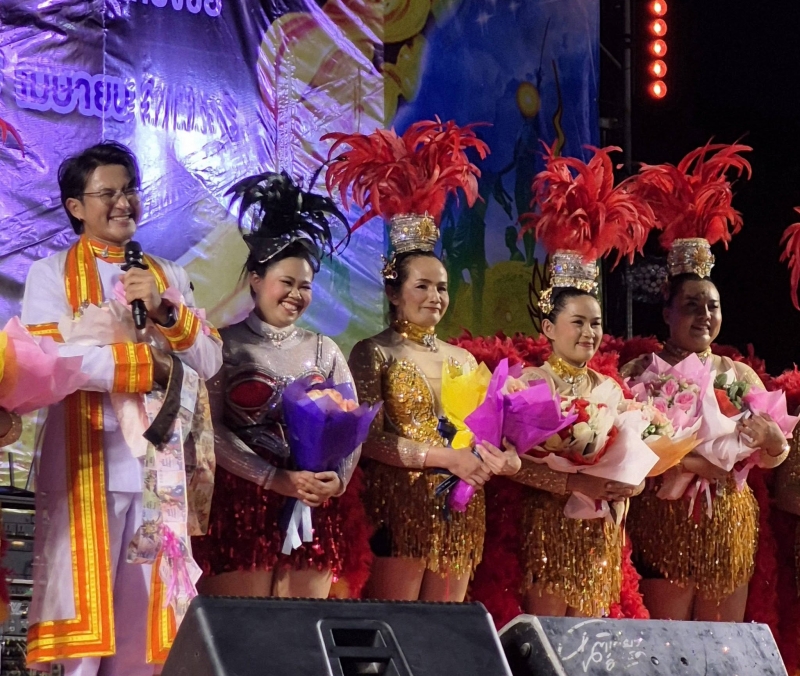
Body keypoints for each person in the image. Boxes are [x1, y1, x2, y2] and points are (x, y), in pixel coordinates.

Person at [21, 141, 222, 675]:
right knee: (82, 614)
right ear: (75, 206)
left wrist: (162, 310)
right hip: (87, 460)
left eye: (129, 190)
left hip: (159, 468)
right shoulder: (51, 273)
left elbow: (209, 360)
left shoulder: (167, 274)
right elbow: (46, 360)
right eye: (106, 193)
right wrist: (139, 365)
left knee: (147, 615)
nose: (122, 202)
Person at [623, 144, 790, 622]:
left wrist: (774, 440)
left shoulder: (739, 374)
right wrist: (699, 463)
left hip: (727, 530)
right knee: (666, 648)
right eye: (691, 305)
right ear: (667, 312)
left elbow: (771, 457)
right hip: (665, 527)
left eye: (712, 306)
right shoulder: (639, 374)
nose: (704, 315)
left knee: (723, 650)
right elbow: (633, 456)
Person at [191, 171, 368, 600]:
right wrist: (271, 477)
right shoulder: (222, 345)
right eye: (286, 282)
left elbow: (352, 427)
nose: (296, 294)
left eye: (305, 286)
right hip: (240, 506)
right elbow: (208, 430)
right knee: (241, 631)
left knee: (302, 632)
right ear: (256, 279)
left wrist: (337, 481)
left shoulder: (324, 349)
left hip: (310, 506)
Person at [348, 219, 521, 602]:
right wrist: (446, 458)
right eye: (422, 286)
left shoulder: (464, 359)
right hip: (399, 508)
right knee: (396, 626)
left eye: (441, 287)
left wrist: (508, 460)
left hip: (461, 508)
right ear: (393, 293)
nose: (435, 297)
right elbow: (367, 441)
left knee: (446, 630)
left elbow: (490, 434)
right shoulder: (373, 352)